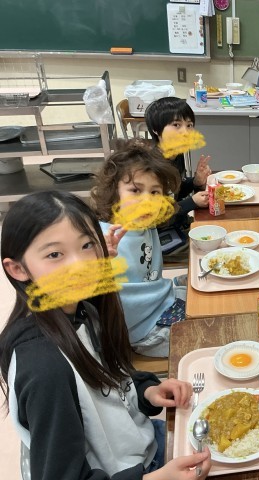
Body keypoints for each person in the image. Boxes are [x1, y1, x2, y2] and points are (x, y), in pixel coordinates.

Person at [0, 190, 211, 479]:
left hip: (143, 445)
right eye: (55, 254)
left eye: (87, 245)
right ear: (17, 269)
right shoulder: (45, 368)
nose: (80, 265)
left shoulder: (84, 310)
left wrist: (147, 391)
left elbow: (111, 379)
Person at [92, 140, 184, 358]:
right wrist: (98, 261)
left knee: (208, 293)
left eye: (155, 192)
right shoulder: (103, 240)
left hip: (161, 301)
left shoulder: (146, 224)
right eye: (135, 190)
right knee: (203, 334)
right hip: (142, 332)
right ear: (114, 192)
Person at [145, 96, 211, 230]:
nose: (185, 132)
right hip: (157, 235)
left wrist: (195, 182)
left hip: (177, 224)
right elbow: (157, 218)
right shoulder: (150, 166)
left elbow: (173, 193)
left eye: (189, 125)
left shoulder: (176, 154)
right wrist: (192, 202)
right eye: (176, 125)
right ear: (156, 129)